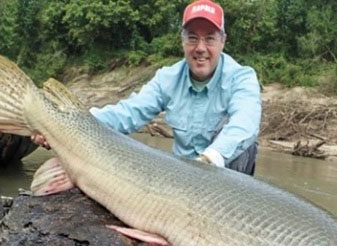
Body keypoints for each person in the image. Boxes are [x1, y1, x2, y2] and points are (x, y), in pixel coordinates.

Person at [33, 0, 261, 175]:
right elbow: (127, 114)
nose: (200, 48)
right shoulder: (168, 78)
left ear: (223, 41)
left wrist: (209, 160)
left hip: (224, 181)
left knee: (245, 143)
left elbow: (246, 123)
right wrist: (64, 123)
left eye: (209, 39)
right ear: (182, 41)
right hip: (181, 176)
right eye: (192, 38)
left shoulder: (242, 78)